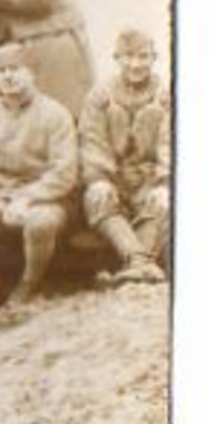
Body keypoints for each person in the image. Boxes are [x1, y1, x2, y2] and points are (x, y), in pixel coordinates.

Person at [0, 42, 80, 313]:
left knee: (40, 224)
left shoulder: (55, 114)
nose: (8, 76)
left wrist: (27, 199)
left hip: (47, 197)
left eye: (16, 69)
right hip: (0, 193)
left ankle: (29, 283)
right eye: (1, 71)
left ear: (32, 73)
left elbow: (64, 172)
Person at [80, 28, 170, 286]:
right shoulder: (100, 95)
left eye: (144, 57)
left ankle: (134, 265)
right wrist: (99, 178)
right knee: (96, 199)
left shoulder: (166, 96)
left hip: (149, 176)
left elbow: (170, 144)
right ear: (116, 58)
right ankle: (141, 264)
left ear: (154, 58)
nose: (136, 64)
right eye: (128, 57)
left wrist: (164, 183)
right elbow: (91, 140)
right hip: (114, 175)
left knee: (164, 203)